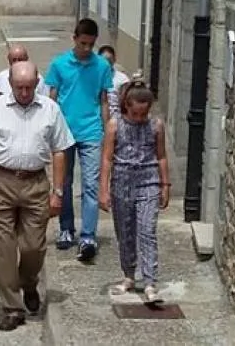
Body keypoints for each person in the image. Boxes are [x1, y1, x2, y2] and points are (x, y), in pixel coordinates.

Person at [0, 61, 74, 331]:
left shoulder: (50, 110)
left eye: (29, 87)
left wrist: (58, 192)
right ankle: (12, 307)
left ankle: (28, 282)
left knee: (33, 246)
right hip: (1, 181)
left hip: (35, 183)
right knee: (4, 249)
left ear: (38, 83)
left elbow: (60, 150)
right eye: (19, 87)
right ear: (11, 84)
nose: (25, 93)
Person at [45, 18, 113, 261]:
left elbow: (104, 100)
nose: (86, 49)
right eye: (83, 43)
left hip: (92, 131)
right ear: (74, 38)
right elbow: (52, 99)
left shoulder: (102, 66)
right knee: (63, 183)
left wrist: (108, 133)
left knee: (91, 185)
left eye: (91, 45)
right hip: (64, 131)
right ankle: (66, 228)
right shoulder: (59, 64)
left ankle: (88, 235)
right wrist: (48, 131)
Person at [99, 81, 169, 304]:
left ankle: (150, 281)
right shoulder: (115, 125)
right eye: (136, 113)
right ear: (127, 107)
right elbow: (107, 158)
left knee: (147, 230)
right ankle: (129, 274)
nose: (140, 118)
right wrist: (103, 189)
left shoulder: (156, 126)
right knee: (125, 231)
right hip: (122, 181)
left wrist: (165, 185)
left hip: (148, 180)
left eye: (144, 113)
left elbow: (161, 156)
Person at [98, 45, 132, 119]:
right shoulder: (93, 78)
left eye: (109, 60)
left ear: (114, 60)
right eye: (103, 61)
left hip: (115, 118)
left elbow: (125, 102)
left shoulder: (122, 79)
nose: (106, 64)